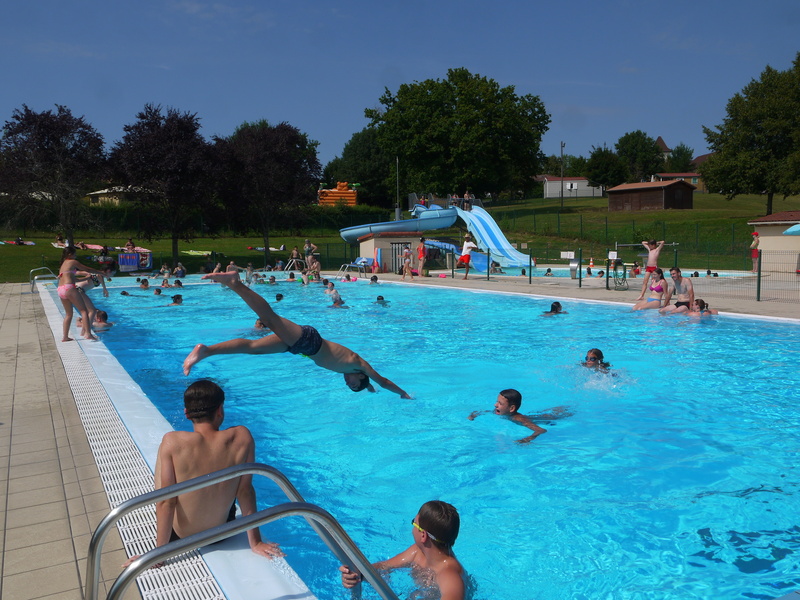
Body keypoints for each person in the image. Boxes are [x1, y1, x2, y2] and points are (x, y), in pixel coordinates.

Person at [122, 380, 283, 568]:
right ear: (220, 410)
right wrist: (255, 542)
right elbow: (245, 491)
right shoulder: (242, 437)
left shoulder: (173, 442)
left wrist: (158, 555)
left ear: (186, 413)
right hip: (221, 532)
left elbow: (166, 501)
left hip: (182, 536)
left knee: (167, 483)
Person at [183, 272, 411, 398]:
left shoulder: (352, 371)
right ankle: (235, 283)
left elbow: (373, 385)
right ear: (361, 376)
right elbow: (383, 381)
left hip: (302, 349)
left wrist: (369, 388)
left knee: (253, 348)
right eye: (353, 384)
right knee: (269, 318)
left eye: (349, 386)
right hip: (309, 341)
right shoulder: (358, 364)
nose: (347, 383)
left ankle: (207, 351)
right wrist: (403, 394)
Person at [339, 501, 464, 600]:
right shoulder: (417, 553)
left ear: (423, 535)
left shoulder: (449, 574)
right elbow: (384, 566)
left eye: (413, 523)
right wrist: (357, 575)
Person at [468, 389, 571, 444]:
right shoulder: (498, 411)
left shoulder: (518, 418)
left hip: (551, 417)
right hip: (536, 415)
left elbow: (541, 430)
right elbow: (482, 411)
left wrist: (527, 439)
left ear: (511, 409)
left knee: (551, 415)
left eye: (500, 403)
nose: (495, 405)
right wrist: (473, 415)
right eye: (496, 401)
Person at [57, 247, 107, 342]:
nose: (76, 255)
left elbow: (74, 279)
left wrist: (86, 278)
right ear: (69, 254)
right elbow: (86, 268)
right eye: (74, 254)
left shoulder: (63, 264)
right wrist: (100, 272)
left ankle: (65, 337)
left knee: (68, 314)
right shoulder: (72, 261)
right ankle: (88, 334)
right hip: (69, 288)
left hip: (60, 289)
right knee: (84, 311)